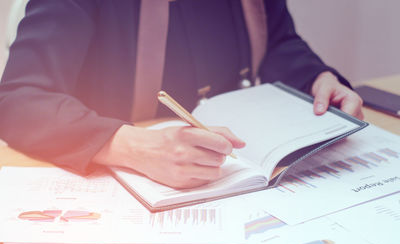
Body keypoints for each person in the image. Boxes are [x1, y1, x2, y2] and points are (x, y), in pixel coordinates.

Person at [0, 0, 363, 189]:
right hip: (121, 184)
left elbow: (278, 42)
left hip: (234, 174)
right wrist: (131, 146)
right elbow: (17, 99)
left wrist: (316, 78)